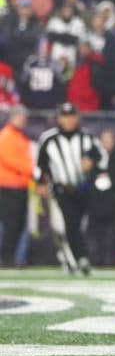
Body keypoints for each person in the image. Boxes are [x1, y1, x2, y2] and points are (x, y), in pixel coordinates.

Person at [35, 102, 102, 275]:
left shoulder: (88, 137)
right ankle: (81, 258)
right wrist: (40, 182)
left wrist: (92, 164)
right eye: (65, 116)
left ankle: (68, 257)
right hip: (61, 189)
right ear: (59, 118)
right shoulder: (49, 138)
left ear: (77, 117)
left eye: (72, 116)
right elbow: (40, 164)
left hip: (84, 188)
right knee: (70, 224)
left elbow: (101, 158)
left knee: (77, 225)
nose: (69, 120)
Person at [86, 128, 115, 267]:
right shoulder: (94, 157)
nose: (107, 144)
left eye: (109, 140)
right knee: (93, 232)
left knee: (110, 233)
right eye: (104, 141)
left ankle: (109, 260)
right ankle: (94, 259)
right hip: (95, 201)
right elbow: (86, 177)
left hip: (112, 202)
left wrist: (111, 179)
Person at [0, 105, 33, 267]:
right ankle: (6, 258)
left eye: (24, 117)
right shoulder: (6, 136)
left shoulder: (21, 137)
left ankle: (12, 257)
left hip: (20, 186)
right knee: (10, 224)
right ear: (12, 117)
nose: (22, 120)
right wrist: (33, 170)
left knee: (18, 224)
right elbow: (10, 160)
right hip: (8, 186)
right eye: (19, 117)